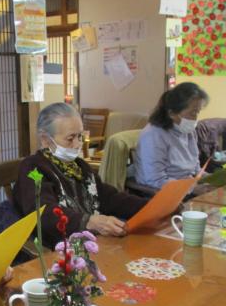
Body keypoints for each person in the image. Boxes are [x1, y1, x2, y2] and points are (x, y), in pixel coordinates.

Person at [13, 103, 148, 249]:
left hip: (92, 242)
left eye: (80, 136)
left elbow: (108, 197)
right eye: (70, 139)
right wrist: (88, 221)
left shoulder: (79, 166)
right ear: (45, 139)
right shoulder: (33, 168)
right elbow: (43, 213)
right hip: (57, 248)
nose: (77, 144)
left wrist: (149, 206)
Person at [135, 82, 209, 190]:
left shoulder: (188, 131)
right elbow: (156, 179)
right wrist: (192, 189)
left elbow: (195, 168)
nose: (195, 118)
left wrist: (211, 178)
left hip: (185, 185)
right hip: (161, 191)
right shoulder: (153, 135)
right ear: (172, 113)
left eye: (198, 112)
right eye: (192, 113)